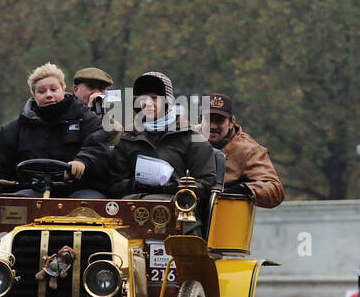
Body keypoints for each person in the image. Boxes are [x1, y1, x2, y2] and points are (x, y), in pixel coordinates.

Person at [0, 62, 110, 198]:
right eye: (42, 91)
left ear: (63, 89)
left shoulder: (87, 120)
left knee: (88, 205)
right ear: (33, 94)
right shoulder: (14, 129)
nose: (49, 95)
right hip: (32, 190)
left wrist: (82, 161)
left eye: (54, 89)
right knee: (16, 204)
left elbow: (97, 145)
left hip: (80, 189)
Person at [108, 71, 216, 204]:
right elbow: (113, 183)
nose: (147, 104)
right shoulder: (127, 138)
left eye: (154, 98)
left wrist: (175, 187)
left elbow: (206, 183)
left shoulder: (191, 137)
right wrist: (135, 185)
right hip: (135, 208)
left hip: (180, 211)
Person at [204, 92, 284, 208]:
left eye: (220, 120)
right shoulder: (190, 143)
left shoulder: (249, 150)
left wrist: (245, 189)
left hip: (228, 216)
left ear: (231, 122)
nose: (213, 126)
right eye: (209, 119)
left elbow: (275, 190)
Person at [73, 67, 121, 147]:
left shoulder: (114, 127)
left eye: (101, 89)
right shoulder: (64, 113)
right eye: (91, 87)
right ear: (75, 89)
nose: (97, 93)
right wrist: (88, 114)